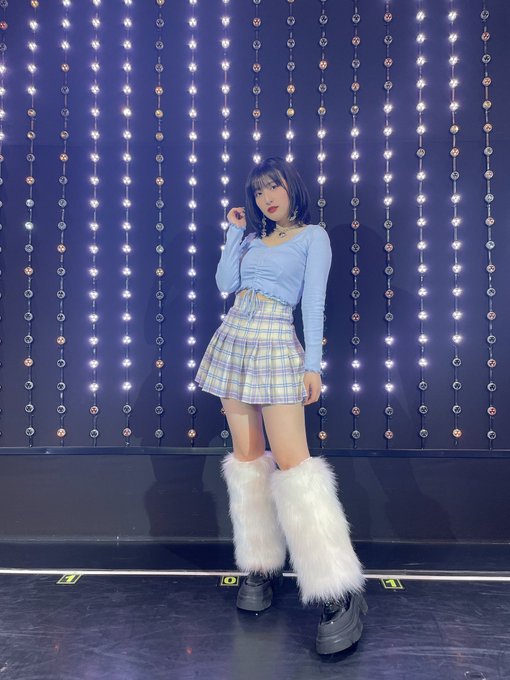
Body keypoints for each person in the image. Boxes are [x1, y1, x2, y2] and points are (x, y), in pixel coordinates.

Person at [195, 157, 367, 655]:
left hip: (275, 341)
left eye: (275, 187)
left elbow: (313, 302)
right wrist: (233, 233)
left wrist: (312, 365)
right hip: (233, 338)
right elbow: (225, 282)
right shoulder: (251, 238)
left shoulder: (314, 237)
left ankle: (337, 589)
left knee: (295, 466)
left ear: (293, 189)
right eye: (259, 191)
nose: (268, 197)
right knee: (248, 460)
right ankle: (261, 565)